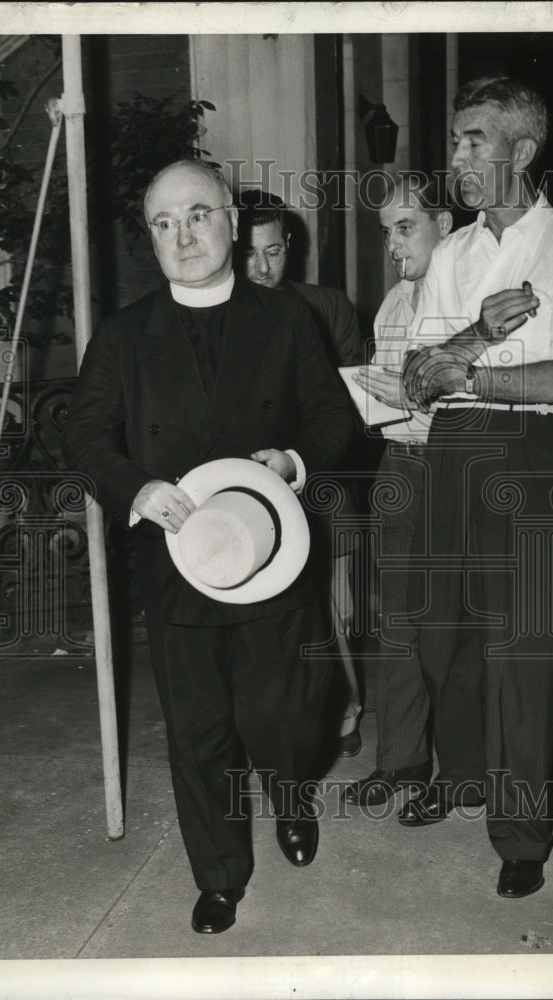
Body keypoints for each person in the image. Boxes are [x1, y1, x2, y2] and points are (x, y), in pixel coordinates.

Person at [61, 160, 353, 934]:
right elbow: (84, 433)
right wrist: (134, 489)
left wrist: (294, 462)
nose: (182, 235)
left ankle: (292, 791)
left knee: (281, 715)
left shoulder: (286, 318)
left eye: (196, 215)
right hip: (179, 555)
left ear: (230, 217)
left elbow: (333, 417)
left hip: (272, 550)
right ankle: (220, 874)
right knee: (198, 729)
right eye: (163, 223)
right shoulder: (125, 336)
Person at [400, 77, 553, 898]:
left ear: (521, 151)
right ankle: (460, 775)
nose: (457, 156)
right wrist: (477, 334)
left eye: (474, 140)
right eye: (456, 140)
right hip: (453, 447)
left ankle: (521, 831)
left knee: (524, 647)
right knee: (445, 630)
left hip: (535, 455)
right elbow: (420, 382)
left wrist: (472, 374)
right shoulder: (451, 253)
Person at [237, 188, 365, 756]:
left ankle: (347, 705)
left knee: (338, 612)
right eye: (249, 253)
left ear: (289, 247)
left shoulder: (325, 306)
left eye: (274, 252)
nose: (262, 269)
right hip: (240, 492)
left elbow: (355, 407)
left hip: (320, 483)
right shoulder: (216, 316)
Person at [343, 173, 453, 808]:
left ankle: (460, 768)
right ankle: (402, 760)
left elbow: (483, 399)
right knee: (397, 621)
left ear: (445, 224)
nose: (393, 244)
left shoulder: (467, 295)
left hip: (454, 465)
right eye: (387, 232)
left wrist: (413, 396)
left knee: (452, 623)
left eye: (406, 227)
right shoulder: (392, 303)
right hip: (398, 467)